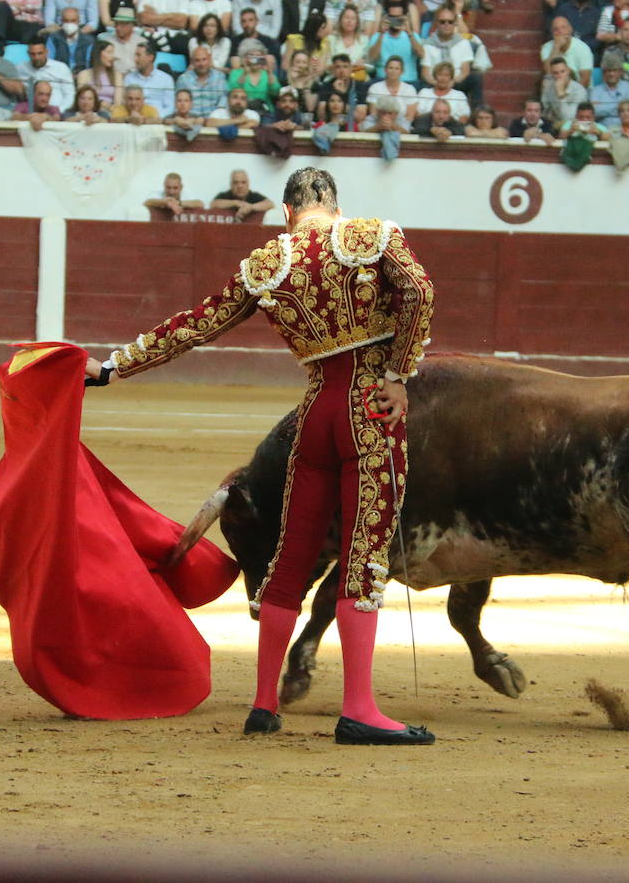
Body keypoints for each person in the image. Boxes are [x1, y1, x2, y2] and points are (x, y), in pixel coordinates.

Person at [86, 208, 433, 742]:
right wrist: (398, 374)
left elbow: (196, 323)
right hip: (369, 408)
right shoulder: (370, 235)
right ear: (334, 207)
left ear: (290, 212)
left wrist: (113, 366)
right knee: (364, 555)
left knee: (292, 556)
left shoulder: (267, 263)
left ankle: (264, 704)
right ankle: (359, 709)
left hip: (312, 416)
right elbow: (418, 291)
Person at [367, 1, 423, 83]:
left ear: (405, 17)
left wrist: (409, 32)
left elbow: (421, 55)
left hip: (408, 81)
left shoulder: (413, 36)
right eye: (392, 18)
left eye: (398, 18)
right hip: (382, 81)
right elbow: (372, 59)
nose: (395, 21)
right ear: (386, 17)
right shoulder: (377, 36)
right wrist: (381, 34)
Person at [20, 37, 76, 113]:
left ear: (46, 52)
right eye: (33, 54)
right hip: (29, 114)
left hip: (58, 114)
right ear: (28, 53)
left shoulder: (61, 68)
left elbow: (70, 96)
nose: (36, 57)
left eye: (40, 53)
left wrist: (58, 111)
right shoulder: (21, 69)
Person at [540, 15, 593, 88]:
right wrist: (556, 47)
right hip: (554, 90)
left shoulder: (583, 48)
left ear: (570, 29)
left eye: (563, 27)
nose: (560, 32)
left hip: (579, 91)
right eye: (556, 29)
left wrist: (568, 95)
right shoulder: (546, 48)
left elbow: (585, 81)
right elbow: (549, 74)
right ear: (552, 33)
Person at [126, 40, 176, 114]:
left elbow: (170, 107)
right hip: (133, 120)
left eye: (138, 55)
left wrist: (154, 118)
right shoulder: (129, 78)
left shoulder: (166, 79)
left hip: (159, 121)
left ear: (150, 58)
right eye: (135, 55)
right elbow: (125, 104)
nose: (135, 59)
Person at [366, 53, 416, 122]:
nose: (393, 71)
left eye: (397, 69)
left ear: (402, 71)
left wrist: (395, 127)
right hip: (379, 124)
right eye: (390, 68)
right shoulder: (375, 88)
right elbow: (373, 114)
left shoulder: (410, 89)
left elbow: (410, 117)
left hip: (401, 127)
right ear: (385, 70)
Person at [210, 168, 274, 219]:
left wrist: (251, 207)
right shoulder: (225, 195)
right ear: (231, 184)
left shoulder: (253, 195)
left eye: (243, 182)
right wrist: (236, 203)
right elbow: (213, 204)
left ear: (248, 184)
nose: (240, 186)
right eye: (236, 182)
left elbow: (270, 204)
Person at [543, 54, 589, 126]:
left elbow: (567, 118)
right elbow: (545, 112)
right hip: (554, 126)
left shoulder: (579, 90)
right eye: (556, 73)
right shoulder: (549, 89)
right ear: (552, 75)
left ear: (568, 71)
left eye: (562, 71)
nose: (560, 76)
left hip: (574, 127)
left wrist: (561, 94)